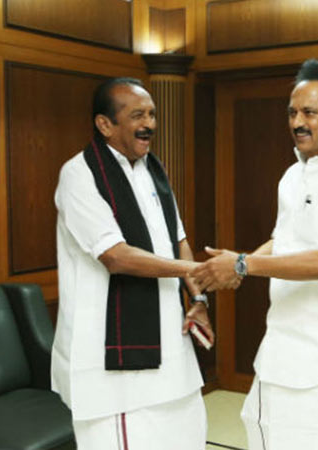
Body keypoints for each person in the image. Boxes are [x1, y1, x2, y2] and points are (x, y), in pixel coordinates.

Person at [191, 59, 318, 450]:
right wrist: (237, 267)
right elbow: (283, 239)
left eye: (310, 113)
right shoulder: (293, 175)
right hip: (278, 351)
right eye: (292, 113)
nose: (297, 122)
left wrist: (243, 263)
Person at [51, 77, 214, 450]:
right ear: (105, 124)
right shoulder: (79, 174)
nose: (150, 124)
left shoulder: (153, 170)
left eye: (152, 115)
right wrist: (197, 271)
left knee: (188, 438)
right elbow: (116, 256)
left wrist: (199, 299)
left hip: (172, 347)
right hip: (111, 364)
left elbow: (178, 241)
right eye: (137, 115)